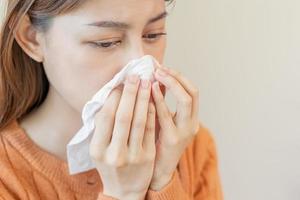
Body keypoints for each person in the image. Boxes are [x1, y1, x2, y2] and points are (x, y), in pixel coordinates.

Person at [0, 0, 223, 199]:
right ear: (31, 38)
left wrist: (163, 178)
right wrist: (123, 194)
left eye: (153, 34)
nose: (140, 64)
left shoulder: (187, 146)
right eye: (106, 42)